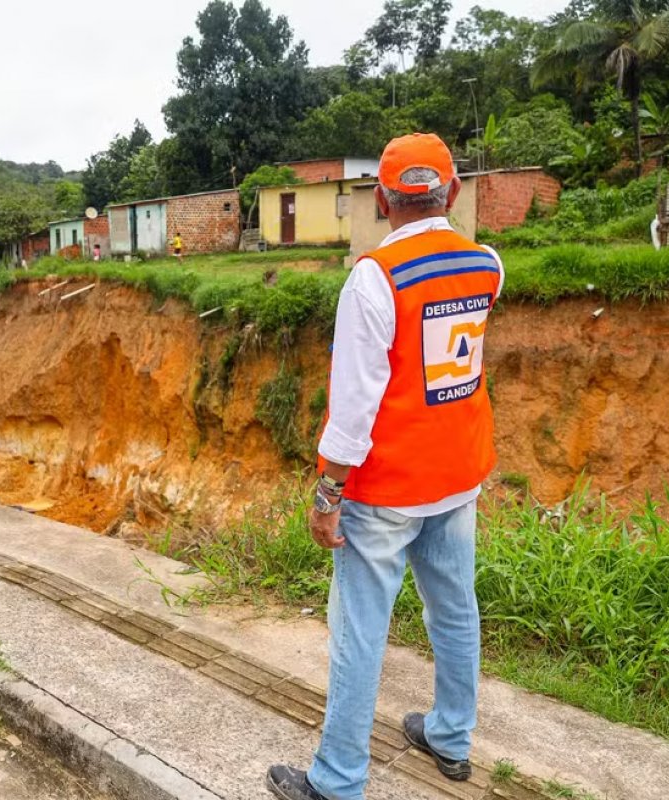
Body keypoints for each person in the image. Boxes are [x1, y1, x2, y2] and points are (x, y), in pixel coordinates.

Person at [266, 133, 505, 800]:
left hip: (389, 488)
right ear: (451, 193)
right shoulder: (487, 264)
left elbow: (354, 405)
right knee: (454, 611)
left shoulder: (375, 278)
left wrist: (327, 493)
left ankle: (338, 780)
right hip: (457, 478)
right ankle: (452, 738)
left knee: (360, 628)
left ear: (381, 199)